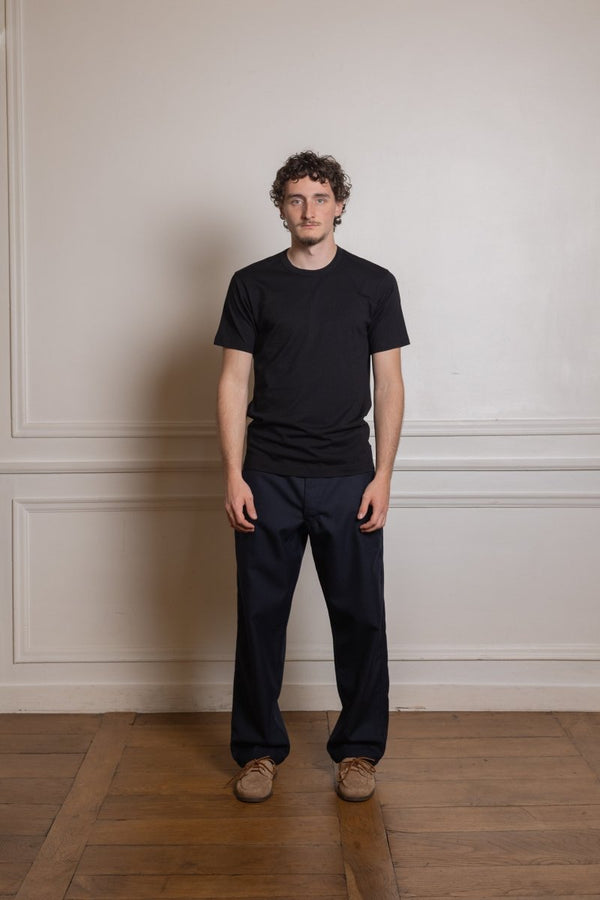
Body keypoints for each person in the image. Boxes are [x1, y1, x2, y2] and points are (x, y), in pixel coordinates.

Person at [214, 150, 409, 803]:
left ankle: (358, 752)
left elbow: (389, 383)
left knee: (360, 618)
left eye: (320, 198)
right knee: (259, 618)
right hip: (267, 475)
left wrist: (383, 475)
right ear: (281, 208)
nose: (309, 210)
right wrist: (234, 473)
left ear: (339, 205)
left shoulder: (374, 283)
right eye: (296, 198)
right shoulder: (252, 284)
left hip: (348, 475)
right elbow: (233, 380)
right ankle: (258, 752)